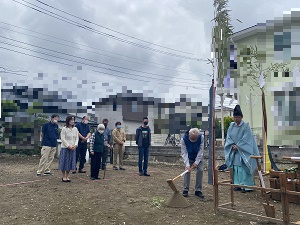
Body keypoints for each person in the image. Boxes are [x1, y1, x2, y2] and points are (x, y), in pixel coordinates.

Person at [224, 105, 260, 193]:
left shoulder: (246, 126)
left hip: (244, 151)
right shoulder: (231, 126)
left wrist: (239, 146)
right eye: (235, 117)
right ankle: (237, 184)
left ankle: (246, 185)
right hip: (234, 150)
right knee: (235, 167)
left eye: (238, 117)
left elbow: (247, 139)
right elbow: (228, 137)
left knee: (244, 167)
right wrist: (232, 145)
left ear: (241, 117)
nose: (236, 119)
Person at [181, 128, 205, 199]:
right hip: (189, 156)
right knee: (187, 171)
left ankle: (198, 190)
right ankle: (185, 189)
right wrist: (187, 164)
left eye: (195, 139)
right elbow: (184, 152)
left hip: (199, 156)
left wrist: (197, 162)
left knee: (200, 170)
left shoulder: (201, 137)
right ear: (189, 135)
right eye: (192, 139)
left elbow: (201, 150)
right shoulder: (184, 139)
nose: (194, 141)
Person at [59, 115, 79, 182]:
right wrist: (68, 146)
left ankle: (67, 176)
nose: (72, 121)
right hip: (65, 148)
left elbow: (76, 138)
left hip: (73, 148)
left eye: (73, 120)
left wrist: (75, 145)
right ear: (68, 121)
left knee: (70, 162)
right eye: (71, 120)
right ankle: (63, 176)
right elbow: (63, 138)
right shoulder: (64, 128)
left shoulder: (75, 129)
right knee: (64, 162)